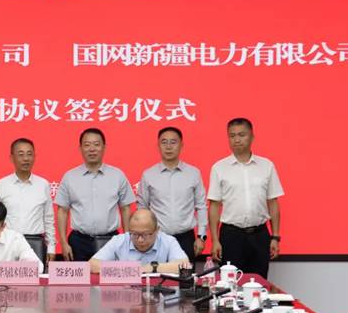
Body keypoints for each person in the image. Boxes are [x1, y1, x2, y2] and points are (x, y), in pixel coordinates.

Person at [208, 118, 284, 278]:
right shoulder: (219, 168)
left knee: (259, 283)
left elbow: (273, 202)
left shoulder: (266, 166)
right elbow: (214, 206)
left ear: (252, 137)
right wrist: (215, 240)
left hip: (259, 235)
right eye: (232, 135)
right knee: (229, 284)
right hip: (231, 236)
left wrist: (275, 237)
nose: (237, 139)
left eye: (242, 135)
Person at [55, 128, 136, 262]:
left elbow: (125, 209)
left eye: (96, 144)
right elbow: (62, 211)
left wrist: (127, 240)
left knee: (111, 276)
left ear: (104, 147)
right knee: (80, 276)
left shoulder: (117, 175)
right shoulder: (70, 177)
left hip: (110, 240)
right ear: (80, 148)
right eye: (87, 145)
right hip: (79, 241)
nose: (92, 149)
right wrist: (63, 243)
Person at [137, 127, 207, 265]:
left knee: (186, 277)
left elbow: (201, 206)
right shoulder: (148, 175)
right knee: (156, 276)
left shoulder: (193, 173)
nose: (168, 146)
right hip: (158, 239)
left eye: (173, 142)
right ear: (158, 146)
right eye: (164, 142)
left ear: (181, 145)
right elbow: (142, 207)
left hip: (186, 239)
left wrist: (201, 237)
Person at [0, 138, 55, 264]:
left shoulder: (43, 184)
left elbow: (48, 218)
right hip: (9, 244)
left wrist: (51, 246)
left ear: (34, 157)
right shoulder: (1, 185)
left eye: (29, 154)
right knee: (6, 277)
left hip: (35, 243)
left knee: (37, 276)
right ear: (12, 158)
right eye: (21, 154)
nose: (26, 159)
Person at [89, 209, 189, 274]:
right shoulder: (119, 240)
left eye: (145, 234)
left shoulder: (168, 241)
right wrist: (131, 270)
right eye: (135, 234)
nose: (140, 240)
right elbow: (92, 265)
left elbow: (184, 265)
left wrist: (152, 268)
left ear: (157, 230)